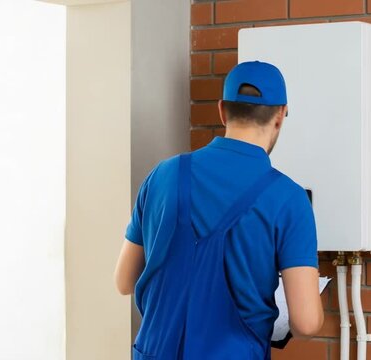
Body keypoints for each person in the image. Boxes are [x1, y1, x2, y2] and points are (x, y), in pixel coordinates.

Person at [114, 60, 323, 360]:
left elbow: (124, 281)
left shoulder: (163, 175)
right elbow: (305, 322)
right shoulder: (288, 199)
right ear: (280, 116)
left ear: (222, 110)